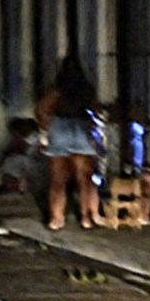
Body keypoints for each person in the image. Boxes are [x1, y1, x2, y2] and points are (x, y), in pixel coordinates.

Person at [35, 55, 101, 232]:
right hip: (81, 128)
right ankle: (88, 216)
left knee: (58, 179)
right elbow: (95, 111)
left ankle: (57, 218)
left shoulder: (56, 91)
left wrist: (44, 132)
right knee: (85, 178)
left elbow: (42, 110)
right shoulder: (87, 90)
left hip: (60, 128)